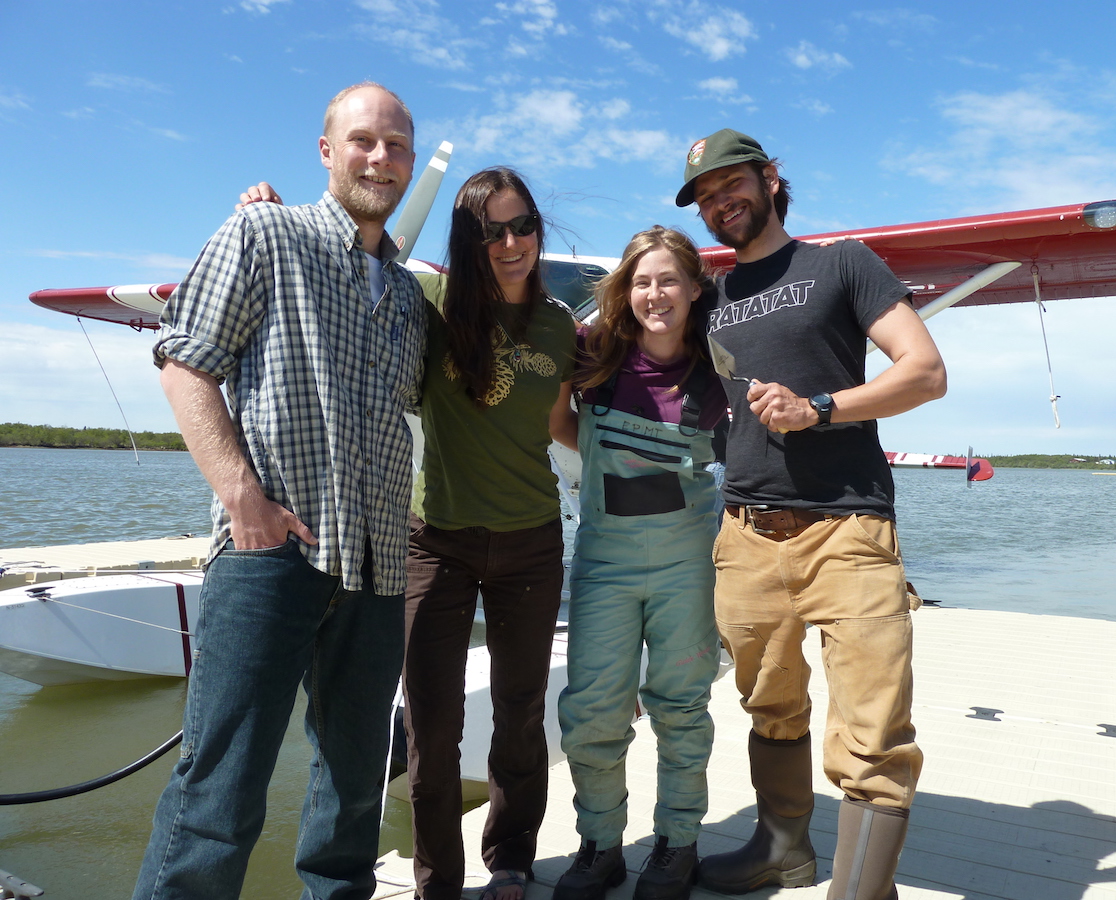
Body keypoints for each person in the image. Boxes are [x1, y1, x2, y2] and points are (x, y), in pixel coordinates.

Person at [134, 82, 427, 900]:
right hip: (274, 557)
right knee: (218, 791)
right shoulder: (266, 230)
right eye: (364, 140)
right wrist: (241, 499)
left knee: (352, 789)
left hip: (375, 572)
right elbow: (185, 360)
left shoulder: (407, 295)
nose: (382, 157)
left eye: (398, 145)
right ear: (327, 151)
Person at [674, 129, 947, 900]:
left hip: (848, 530)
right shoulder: (713, 299)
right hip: (746, 536)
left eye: (732, 184)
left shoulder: (841, 263)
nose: (719, 202)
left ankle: (860, 890)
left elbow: (925, 373)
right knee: (770, 704)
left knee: (873, 736)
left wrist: (819, 408)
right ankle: (782, 850)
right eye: (704, 195)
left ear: (769, 179)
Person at [403, 167, 578, 900]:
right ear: (468, 243)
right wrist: (274, 214)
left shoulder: (561, 324)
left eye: (522, 226)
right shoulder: (429, 304)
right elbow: (348, 262)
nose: (510, 244)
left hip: (531, 540)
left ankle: (510, 857)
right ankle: (437, 879)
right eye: (491, 232)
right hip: (434, 540)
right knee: (432, 726)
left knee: (519, 713)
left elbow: (561, 424)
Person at [553, 227, 727, 900]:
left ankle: (677, 844)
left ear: (692, 290)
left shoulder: (718, 368)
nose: (655, 294)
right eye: (642, 281)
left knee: (682, 706)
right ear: (626, 290)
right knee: (593, 710)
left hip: (688, 562)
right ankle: (600, 846)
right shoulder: (591, 354)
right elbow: (558, 426)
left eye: (669, 281)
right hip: (604, 559)